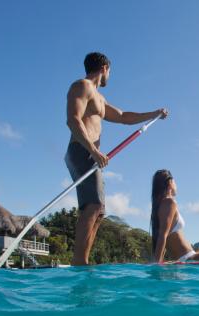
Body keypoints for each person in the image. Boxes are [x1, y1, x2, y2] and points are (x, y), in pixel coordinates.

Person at [65, 52, 168, 266]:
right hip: (82, 150)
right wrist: (93, 150)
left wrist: (153, 114)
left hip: (91, 155)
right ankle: (79, 262)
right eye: (110, 71)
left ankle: (83, 261)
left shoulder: (99, 98)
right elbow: (73, 120)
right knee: (92, 206)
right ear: (104, 68)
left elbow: (123, 117)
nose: (109, 75)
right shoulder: (82, 86)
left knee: (99, 211)